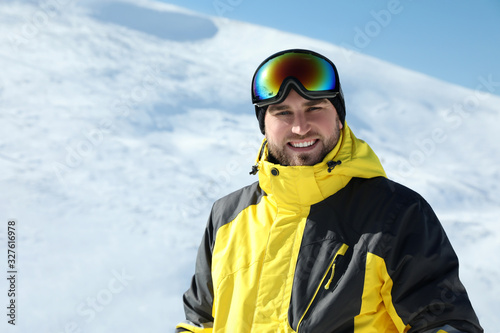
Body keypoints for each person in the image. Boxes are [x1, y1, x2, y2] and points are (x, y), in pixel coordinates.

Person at [175, 49, 483, 332]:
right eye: (282, 112)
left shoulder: (396, 214)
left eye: (314, 108)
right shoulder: (228, 216)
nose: (300, 127)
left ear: (339, 116)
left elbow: (444, 323)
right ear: (264, 125)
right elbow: (200, 322)